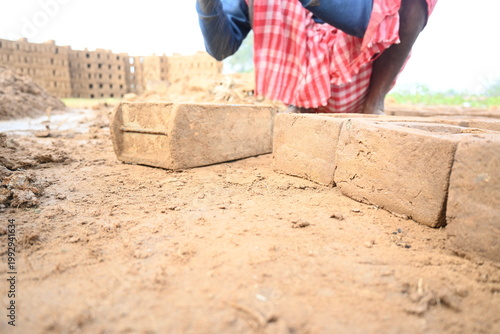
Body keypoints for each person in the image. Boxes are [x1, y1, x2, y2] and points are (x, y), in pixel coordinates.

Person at [196, 0, 438, 114]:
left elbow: (363, 21)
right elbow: (220, 49)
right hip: (300, 81)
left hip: (356, 77)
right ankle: (300, 103)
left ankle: (373, 105)